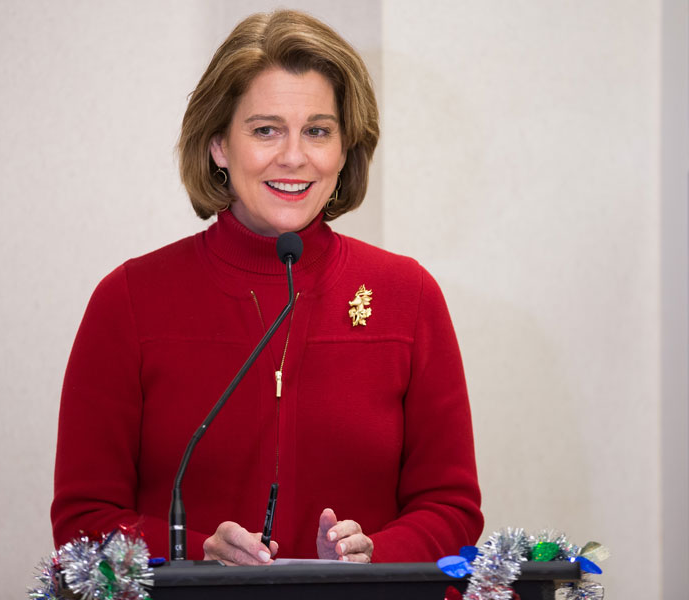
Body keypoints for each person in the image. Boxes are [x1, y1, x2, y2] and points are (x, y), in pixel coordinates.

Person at [51, 9, 482, 565]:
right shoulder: (129, 300)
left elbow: (451, 508)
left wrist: (374, 557)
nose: (295, 156)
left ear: (345, 149)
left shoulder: (408, 296)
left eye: (318, 131)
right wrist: (193, 553)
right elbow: (83, 520)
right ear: (218, 146)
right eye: (265, 130)